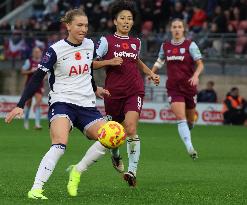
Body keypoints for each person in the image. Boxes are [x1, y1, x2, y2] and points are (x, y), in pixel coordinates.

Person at [5, 8, 114, 199]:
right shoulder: (55, 50)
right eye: (79, 25)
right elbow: (37, 78)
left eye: (86, 25)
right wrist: (20, 104)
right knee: (59, 144)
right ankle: (36, 188)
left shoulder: (90, 45)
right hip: (62, 102)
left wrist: (95, 88)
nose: (83, 29)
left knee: (111, 136)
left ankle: (77, 170)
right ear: (68, 26)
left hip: (87, 105)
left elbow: (87, 69)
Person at [92, 0, 160, 187]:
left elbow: (136, 61)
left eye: (129, 18)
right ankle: (115, 156)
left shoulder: (136, 42)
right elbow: (92, 63)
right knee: (115, 133)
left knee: (130, 128)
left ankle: (132, 171)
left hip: (134, 90)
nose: (126, 21)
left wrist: (151, 73)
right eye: (122, 18)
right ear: (115, 21)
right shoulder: (106, 41)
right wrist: (109, 62)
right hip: (113, 93)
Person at [151, 18, 204, 160]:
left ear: (184, 29)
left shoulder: (190, 45)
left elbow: (200, 64)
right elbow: (160, 60)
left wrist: (196, 75)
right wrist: (152, 72)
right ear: (170, 29)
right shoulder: (166, 46)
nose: (176, 29)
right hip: (174, 88)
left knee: (190, 121)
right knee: (181, 118)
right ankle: (190, 147)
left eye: (179, 27)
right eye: (174, 27)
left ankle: (188, 130)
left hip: (189, 87)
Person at [21, 47, 44, 130]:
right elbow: (22, 71)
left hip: (39, 86)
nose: (37, 53)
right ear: (33, 53)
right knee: (28, 104)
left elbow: (47, 74)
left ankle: (37, 124)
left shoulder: (43, 62)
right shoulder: (29, 61)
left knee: (38, 103)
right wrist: (31, 71)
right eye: (35, 52)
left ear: (41, 53)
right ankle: (26, 121)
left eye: (38, 52)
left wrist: (43, 77)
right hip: (30, 85)